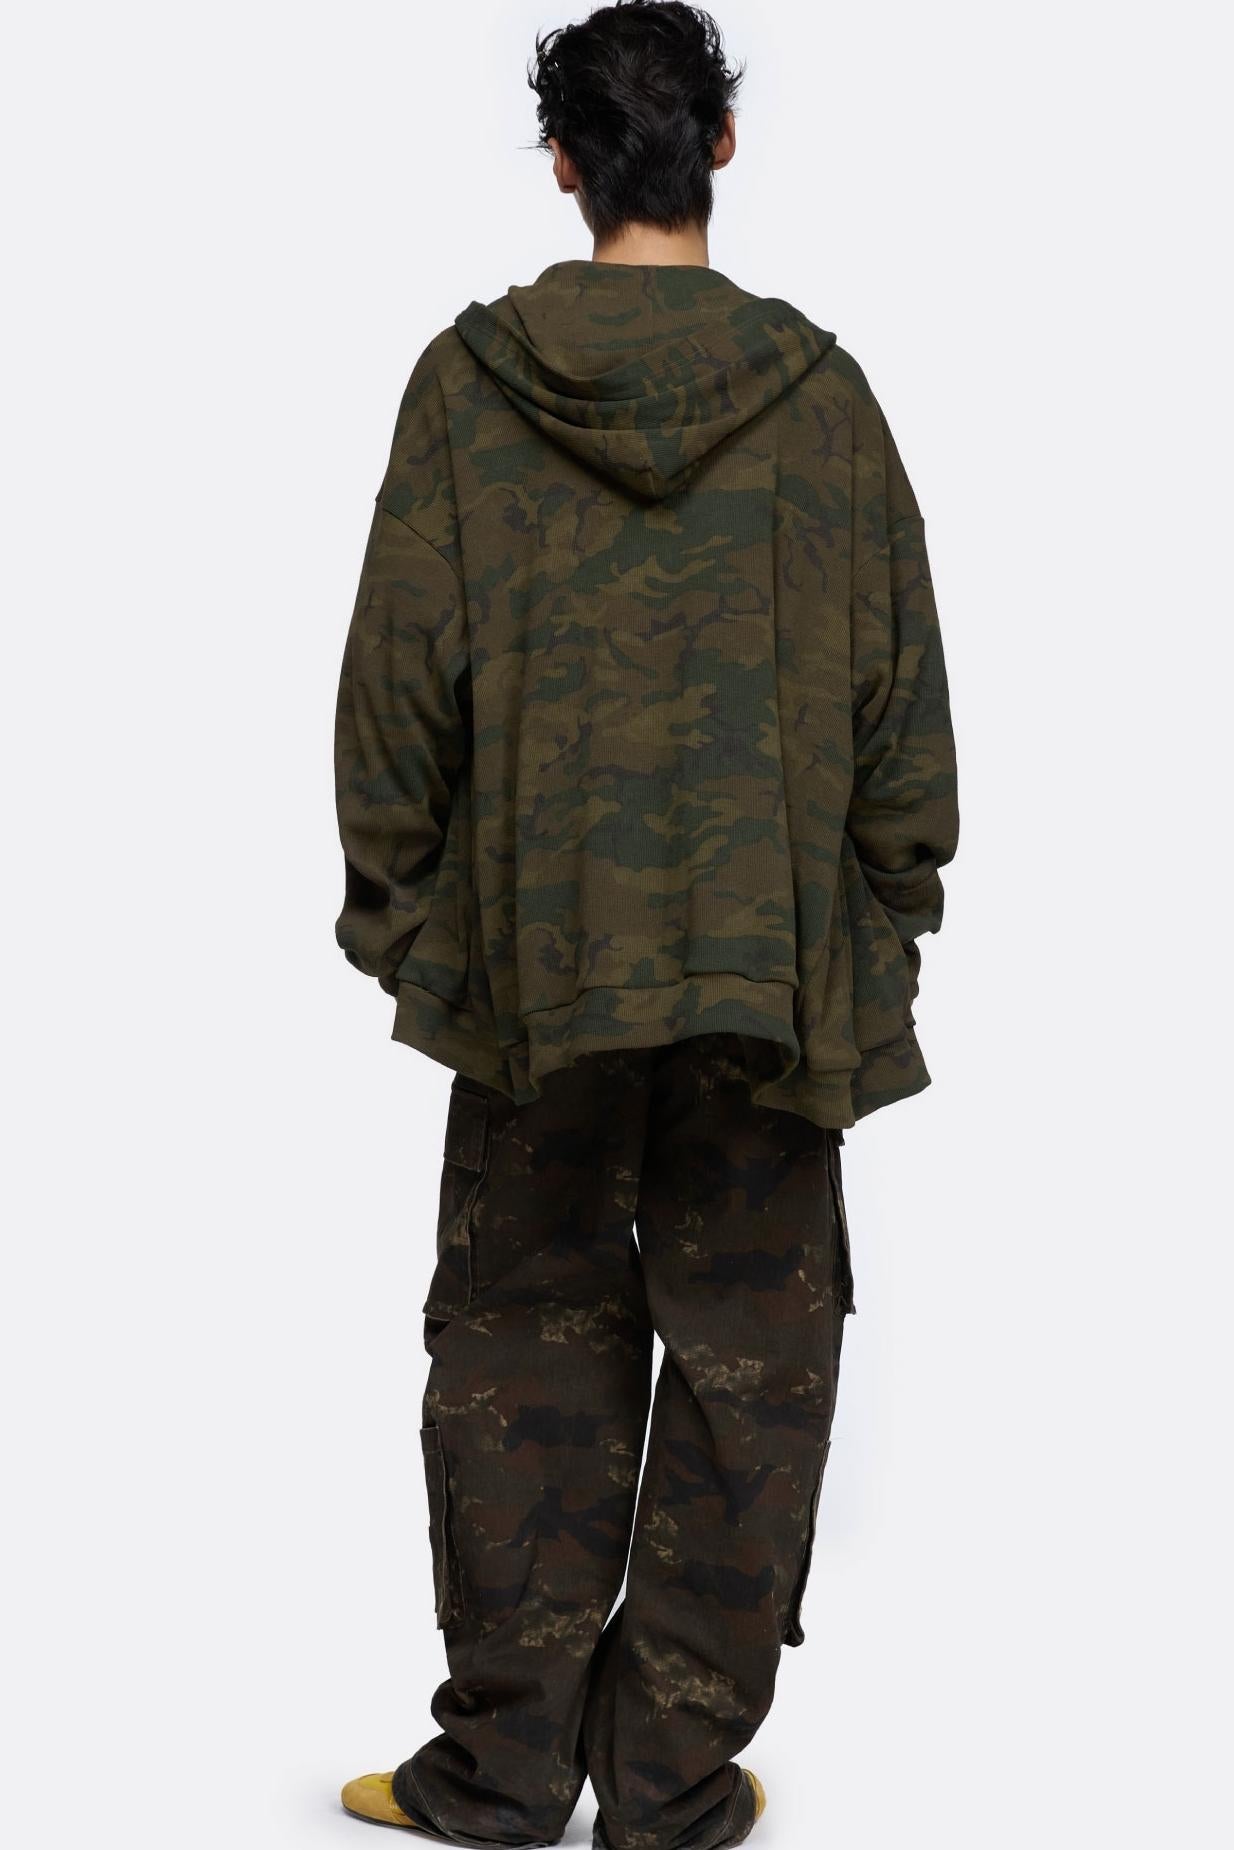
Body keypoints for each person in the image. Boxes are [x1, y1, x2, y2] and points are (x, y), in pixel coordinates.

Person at [333, 4, 958, 1846]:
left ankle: (505, 1766)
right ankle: (671, 1773)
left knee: (517, 1343)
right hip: (773, 971)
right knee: (755, 1363)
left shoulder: (467, 390)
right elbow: (903, 714)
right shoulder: (821, 399)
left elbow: (392, 697)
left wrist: (412, 927)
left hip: (534, 962)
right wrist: (880, 925)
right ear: (721, 149)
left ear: (564, 164)